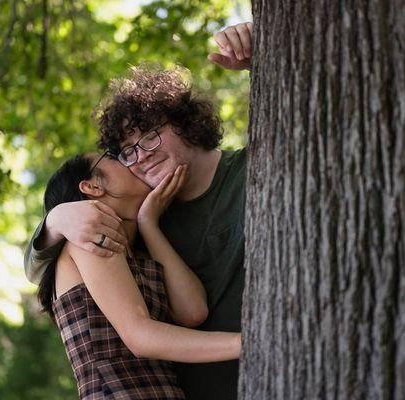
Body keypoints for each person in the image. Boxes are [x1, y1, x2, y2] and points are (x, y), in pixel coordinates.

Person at [26, 23, 253, 400]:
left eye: (149, 135)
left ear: (185, 123)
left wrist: (149, 223)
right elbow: (43, 264)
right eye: (125, 152)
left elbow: (192, 311)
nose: (139, 157)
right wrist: (55, 219)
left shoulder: (151, 220)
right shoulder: (99, 233)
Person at [38, 151, 241, 399]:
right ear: (92, 186)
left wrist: (148, 224)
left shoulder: (135, 253)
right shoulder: (90, 242)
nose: (130, 162)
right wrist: (246, 342)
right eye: (113, 157)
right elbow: (139, 336)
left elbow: (193, 310)